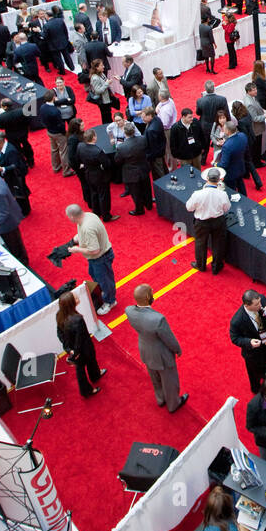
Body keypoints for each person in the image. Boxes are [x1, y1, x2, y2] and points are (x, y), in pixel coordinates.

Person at [124, 283, 188, 412]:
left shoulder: (129, 311)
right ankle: (173, 404)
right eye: (151, 292)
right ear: (148, 296)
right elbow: (169, 339)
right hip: (161, 355)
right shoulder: (158, 319)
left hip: (145, 351)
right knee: (169, 381)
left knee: (155, 379)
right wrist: (177, 349)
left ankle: (160, 399)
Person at [65, 204, 117, 314]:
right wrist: (74, 240)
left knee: (105, 281)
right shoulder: (88, 216)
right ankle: (107, 294)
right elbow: (82, 235)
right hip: (98, 257)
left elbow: (95, 250)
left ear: (73, 217)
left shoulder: (87, 228)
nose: (68, 219)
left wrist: (77, 250)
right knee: (95, 275)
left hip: (100, 257)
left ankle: (110, 301)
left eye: (68, 217)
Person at [229, 289, 266, 393]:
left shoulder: (262, 301)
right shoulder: (237, 320)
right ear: (247, 305)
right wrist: (249, 342)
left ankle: (263, 372)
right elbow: (235, 338)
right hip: (253, 353)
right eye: (256, 304)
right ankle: (256, 389)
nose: (260, 305)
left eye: (260, 302)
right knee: (254, 374)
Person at [55, 290, 104, 398]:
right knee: (85, 366)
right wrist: (75, 352)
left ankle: (95, 376)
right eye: (76, 298)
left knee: (84, 366)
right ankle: (88, 388)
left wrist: (68, 349)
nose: (78, 299)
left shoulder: (59, 315)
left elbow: (59, 334)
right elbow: (80, 338)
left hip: (73, 348)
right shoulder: (78, 319)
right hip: (83, 348)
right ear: (71, 304)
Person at [185, 167, 231, 274]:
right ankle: (217, 266)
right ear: (219, 180)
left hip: (202, 223)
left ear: (207, 179)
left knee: (200, 243)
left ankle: (200, 265)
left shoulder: (198, 194)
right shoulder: (222, 194)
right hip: (218, 221)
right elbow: (227, 208)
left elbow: (189, 207)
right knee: (218, 244)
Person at [113, 121, 154, 215]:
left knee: (135, 193)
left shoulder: (121, 147)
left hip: (131, 173)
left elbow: (117, 161)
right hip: (144, 168)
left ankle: (139, 210)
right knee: (147, 188)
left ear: (125, 133)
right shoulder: (142, 139)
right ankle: (149, 205)